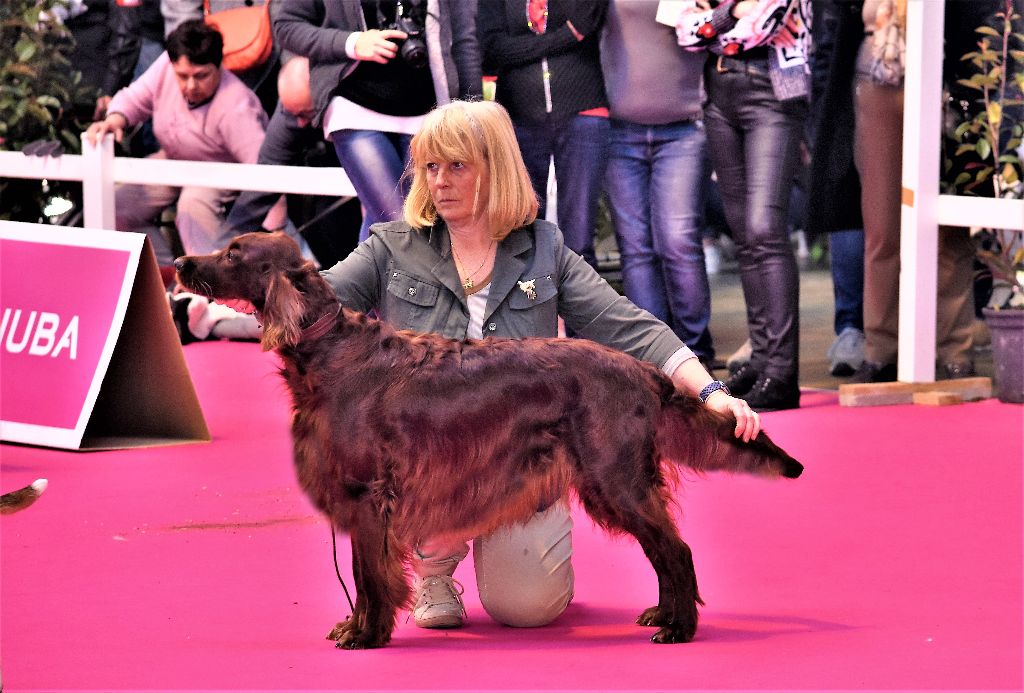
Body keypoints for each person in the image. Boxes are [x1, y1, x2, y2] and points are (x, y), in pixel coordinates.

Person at [225, 100, 758, 631]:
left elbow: (630, 326)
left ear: (494, 170)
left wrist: (710, 393)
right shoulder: (392, 246)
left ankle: (639, 578)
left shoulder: (544, 249)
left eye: (457, 166)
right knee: (406, 464)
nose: (440, 181)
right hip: (432, 462)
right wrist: (247, 298)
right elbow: (317, 303)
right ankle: (432, 571)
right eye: (431, 167)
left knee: (527, 608)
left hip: (516, 462)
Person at [673, 0, 812, 412]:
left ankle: (783, 373)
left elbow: (763, 26)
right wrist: (732, 11)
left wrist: (714, 25)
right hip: (719, 95)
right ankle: (763, 361)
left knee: (765, 228)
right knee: (744, 232)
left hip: (773, 90)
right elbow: (683, 31)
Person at [847, 0, 981, 382]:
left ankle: (955, 349)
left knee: (950, 226)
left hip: (951, 81)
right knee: (882, 225)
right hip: (880, 78)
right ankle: (881, 351)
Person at [273, 0, 483, 242]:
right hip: (354, 106)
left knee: (392, 221)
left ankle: (361, 280)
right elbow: (286, 26)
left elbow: (464, 40)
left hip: (429, 112)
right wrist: (352, 43)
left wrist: (472, 113)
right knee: (403, 224)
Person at [84, 20, 282, 272]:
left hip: (221, 170)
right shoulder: (165, 66)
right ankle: (160, 276)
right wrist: (114, 119)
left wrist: (277, 229)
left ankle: (207, 283)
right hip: (173, 158)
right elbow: (135, 98)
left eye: (201, 76)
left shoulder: (238, 106)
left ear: (219, 66)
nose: (190, 86)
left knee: (192, 205)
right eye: (182, 76)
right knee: (116, 206)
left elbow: (264, 172)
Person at [599, 0, 715, 370]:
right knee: (635, 248)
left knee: (678, 241)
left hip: (683, 127)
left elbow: (719, 25)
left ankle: (696, 354)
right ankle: (653, 359)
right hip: (619, 129)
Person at [477, 0, 610, 269]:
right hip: (520, 116)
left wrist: (523, 48)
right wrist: (566, 37)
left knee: (580, 237)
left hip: (584, 110)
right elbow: (491, 51)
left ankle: (579, 309)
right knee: (522, 230)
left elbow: (588, 25)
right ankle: (531, 308)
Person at [805, 0, 866, 377]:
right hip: (847, 99)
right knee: (850, 214)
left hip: (851, 94)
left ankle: (857, 330)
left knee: (854, 216)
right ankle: (852, 328)